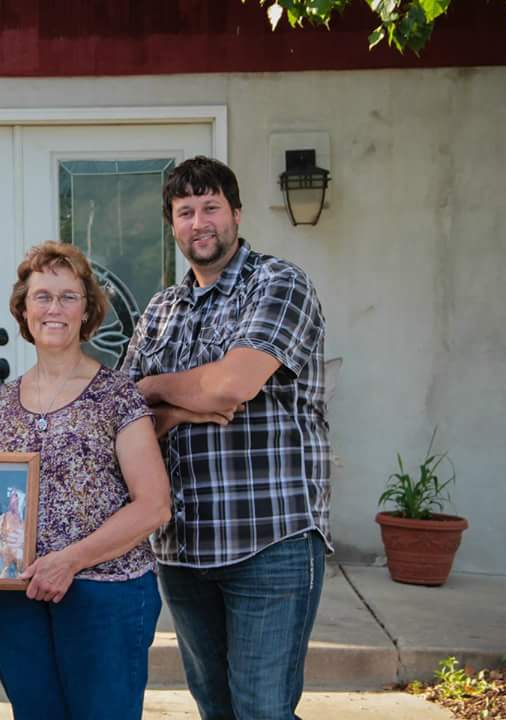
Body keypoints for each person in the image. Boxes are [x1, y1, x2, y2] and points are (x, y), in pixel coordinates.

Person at [0, 242, 172, 720]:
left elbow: (154, 505)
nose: (54, 308)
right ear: (23, 310)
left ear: (87, 310)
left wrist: (69, 562)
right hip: (17, 598)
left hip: (105, 592)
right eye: (42, 297)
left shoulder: (117, 396)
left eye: (68, 296)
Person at [122, 156, 331, 720]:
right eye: (185, 211)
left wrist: (156, 387)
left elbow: (232, 386)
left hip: (269, 538)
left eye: (211, 207)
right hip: (182, 546)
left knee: (262, 709)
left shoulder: (278, 283)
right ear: (172, 225)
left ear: (236, 213)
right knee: (215, 707)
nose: (199, 222)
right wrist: (178, 407)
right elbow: (125, 419)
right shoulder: (161, 310)